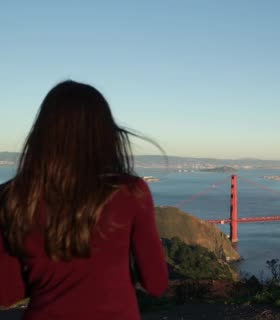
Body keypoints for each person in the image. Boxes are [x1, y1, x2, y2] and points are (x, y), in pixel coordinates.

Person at [0, 80, 168, 319]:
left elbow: (6, 293)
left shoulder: (12, 197)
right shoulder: (131, 193)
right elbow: (157, 283)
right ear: (106, 134)